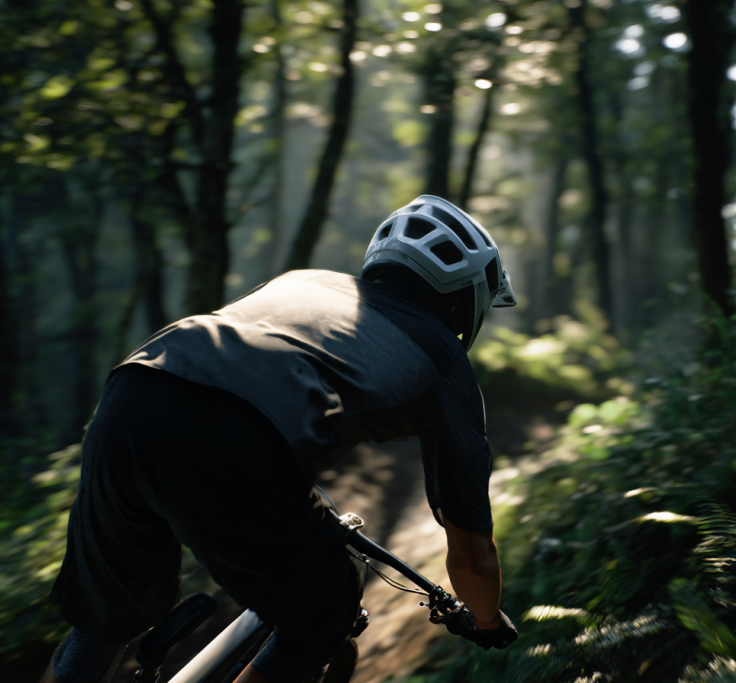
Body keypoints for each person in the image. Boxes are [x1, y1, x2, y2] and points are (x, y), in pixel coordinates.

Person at [40, 195, 520, 683]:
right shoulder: (445, 360)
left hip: (134, 386)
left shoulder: (303, 282)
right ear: (463, 303)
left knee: (104, 618)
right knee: (324, 609)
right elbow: (473, 556)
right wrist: (484, 620)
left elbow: (242, 367)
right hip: (238, 434)